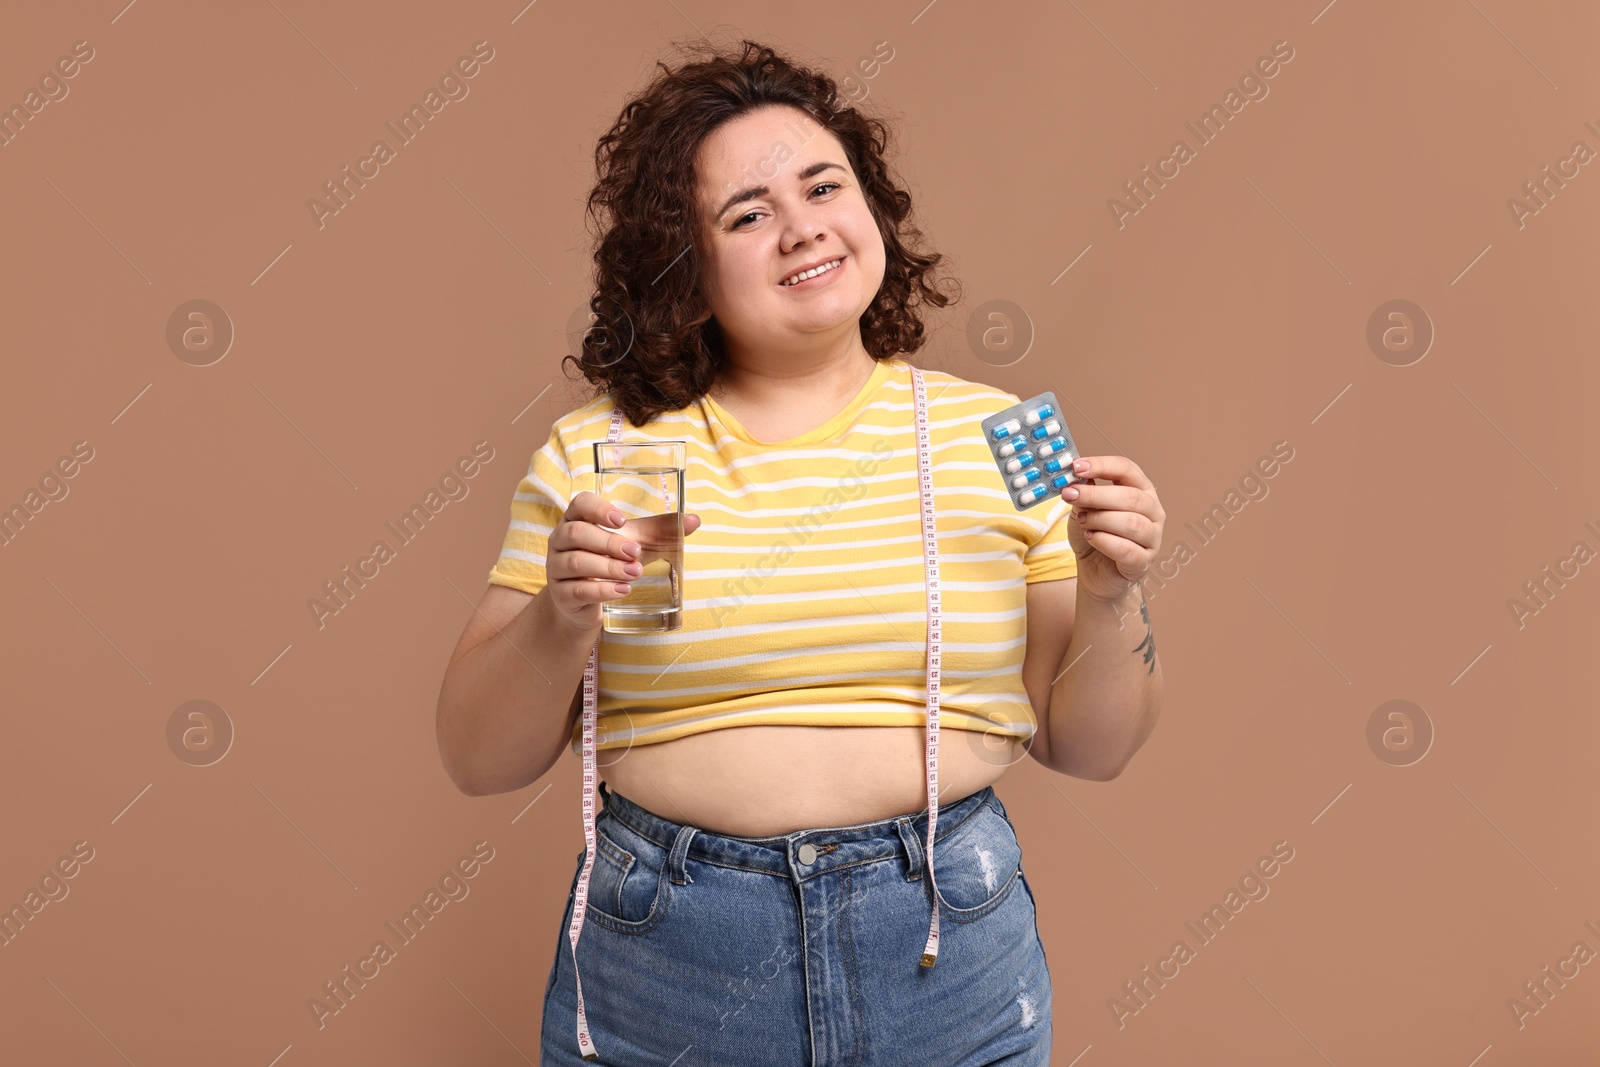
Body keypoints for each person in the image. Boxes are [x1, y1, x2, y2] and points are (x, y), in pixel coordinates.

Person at [435, 38, 1167, 1065]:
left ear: (870, 205)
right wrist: (561, 612)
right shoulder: (606, 456)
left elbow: (1092, 747)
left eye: (823, 185)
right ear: (683, 268)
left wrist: (1112, 592)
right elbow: (477, 756)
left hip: (943, 949)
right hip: (668, 968)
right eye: (747, 213)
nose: (801, 227)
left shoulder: (991, 438)